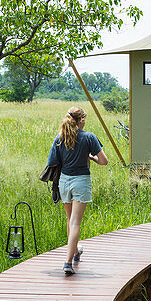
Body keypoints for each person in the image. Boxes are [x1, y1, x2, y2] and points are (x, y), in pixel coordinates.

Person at [46, 106, 107, 275]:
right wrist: (90, 157)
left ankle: (74, 251)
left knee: (70, 220)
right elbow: (104, 161)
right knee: (75, 222)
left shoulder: (60, 138)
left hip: (64, 182)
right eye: (84, 119)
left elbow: (52, 162)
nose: (85, 122)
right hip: (81, 181)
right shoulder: (89, 137)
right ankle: (68, 262)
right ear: (80, 120)